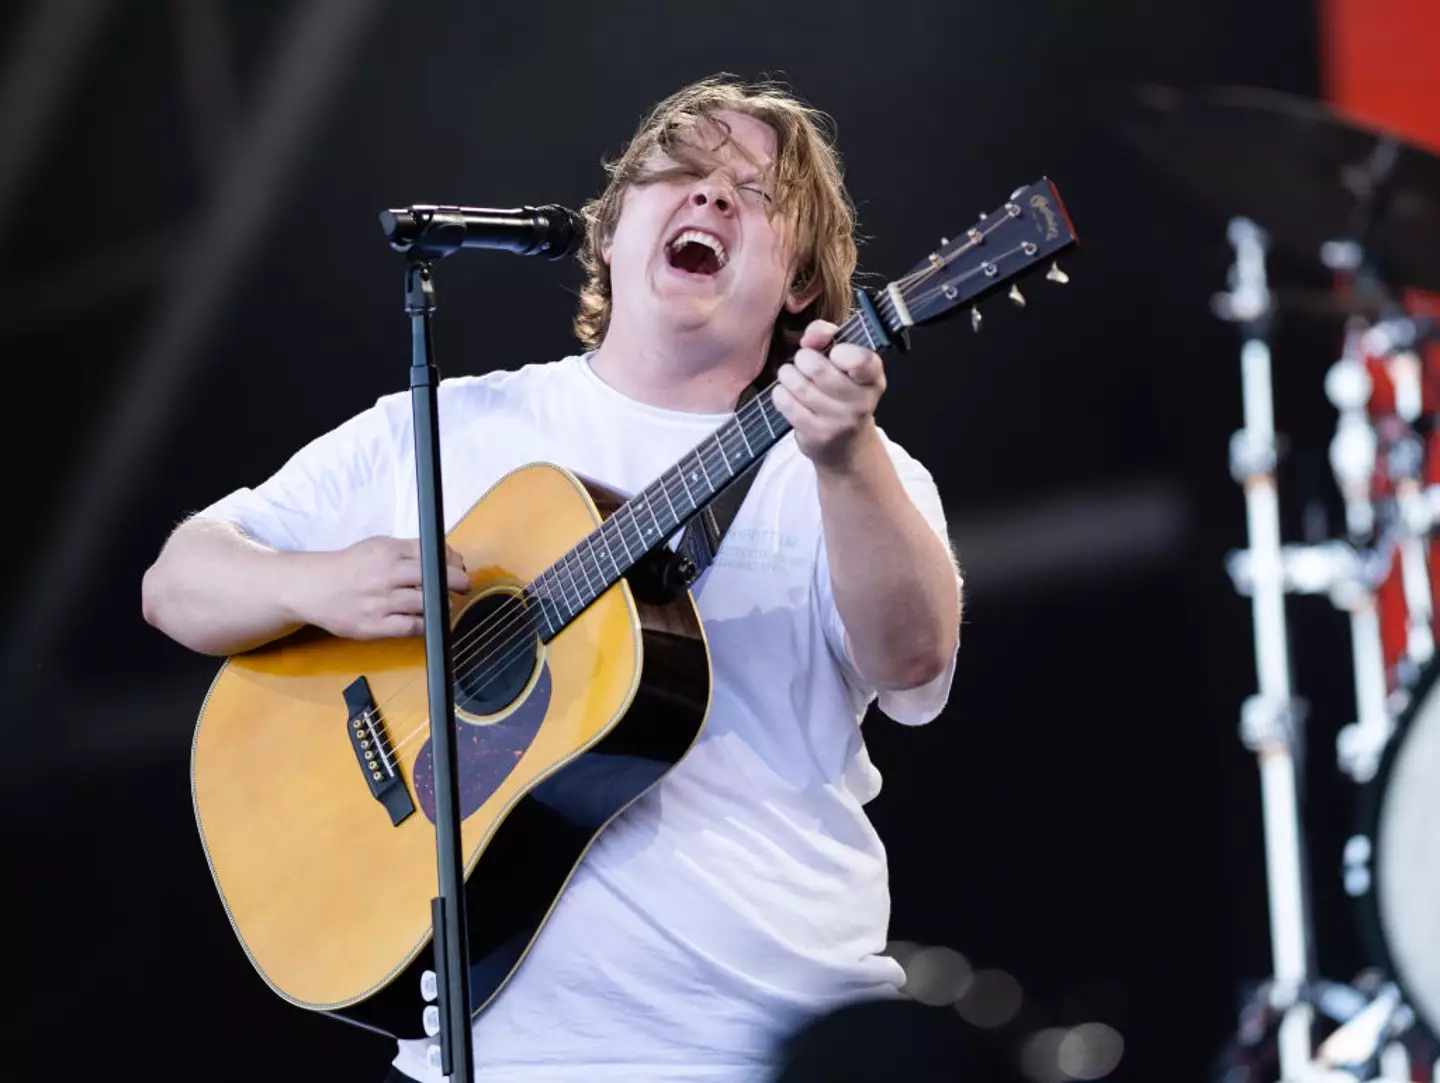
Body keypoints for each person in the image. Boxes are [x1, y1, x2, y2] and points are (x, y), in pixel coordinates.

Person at [142, 75, 964, 1082]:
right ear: (610, 232)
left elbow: (916, 668)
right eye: (683, 172)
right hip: (496, 1055)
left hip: (762, 1040)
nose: (710, 197)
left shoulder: (847, 469)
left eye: (757, 193)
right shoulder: (448, 427)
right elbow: (178, 582)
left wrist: (846, 457)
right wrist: (316, 586)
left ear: (801, 285)